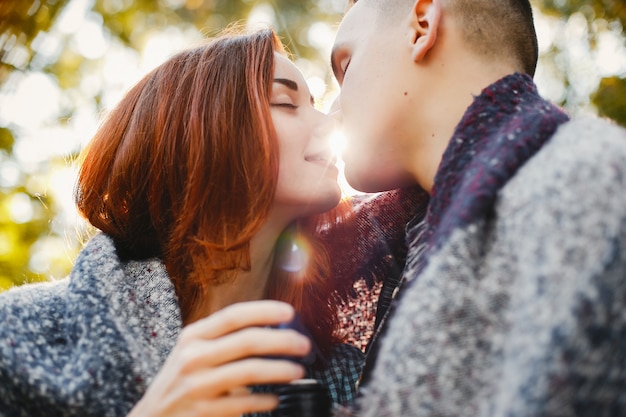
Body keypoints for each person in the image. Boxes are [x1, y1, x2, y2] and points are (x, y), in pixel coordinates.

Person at [0, 26, 426, 417]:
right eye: (285, 102)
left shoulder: (345, 364)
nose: (330, 120)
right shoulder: (21, 336)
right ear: (202, 130)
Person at [326, 0, 626, 416]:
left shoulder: (598, 187)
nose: (332, 111)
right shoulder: (405, 245)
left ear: (421, 27)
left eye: (344, 66)